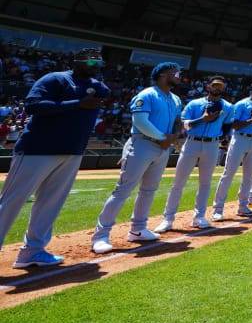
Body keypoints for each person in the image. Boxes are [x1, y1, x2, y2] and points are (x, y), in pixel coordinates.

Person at [0, 48, 109, 268]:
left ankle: (32, 251)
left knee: (50, 204)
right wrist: (77, 103)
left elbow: (104, 92)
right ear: (76, 60)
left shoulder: (96, 86)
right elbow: (33, 105)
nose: (94, 66)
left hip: (72, 152)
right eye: (89, 61)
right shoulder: (55, 79)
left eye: (98, 62)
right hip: (37, 149)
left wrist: (93, 85)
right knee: (12, 201)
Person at [92, 62, 182, 254]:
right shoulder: (147, 94)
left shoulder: (175, 99)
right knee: (123, 190)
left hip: (163, 148)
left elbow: (176, 121)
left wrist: (173, 137)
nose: (179, 76)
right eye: (175, 73)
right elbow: (140, 121)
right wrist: (163, 138)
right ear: (163, 75)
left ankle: (138, 229)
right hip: (143, 144)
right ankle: (101, 235)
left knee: (149, 190)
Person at [155, 76, 231, 234]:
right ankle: (168, 219)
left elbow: (228, 125)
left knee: (205, 183)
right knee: (178, 182)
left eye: (220, 86)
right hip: (192, 142)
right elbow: (183, 124)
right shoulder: (195, 103)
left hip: (212, 145)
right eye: (215, 85)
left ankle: (200, 216)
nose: (217, 88)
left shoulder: (228, 107)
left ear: (224, 88)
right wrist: (202, 119)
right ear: (208, 86)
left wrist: (222, 138)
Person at [211, 80, 252, 220]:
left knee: (249, 175)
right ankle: (218, 209)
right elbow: (234, 125)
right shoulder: (241, 104)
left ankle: (243, 206)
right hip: (240, 139)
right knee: (228, 173)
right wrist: (251, 120)